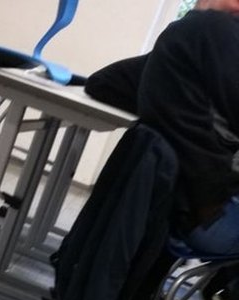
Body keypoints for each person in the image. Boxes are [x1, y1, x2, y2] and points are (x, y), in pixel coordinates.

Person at [85, 1, 239, 257]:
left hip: (186, 210)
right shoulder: (214, 33)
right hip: (212, 215)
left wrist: (162, 110)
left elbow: (102, 82)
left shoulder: (183, 42)